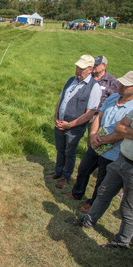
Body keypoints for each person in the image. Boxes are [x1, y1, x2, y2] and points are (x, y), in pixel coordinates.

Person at [68, 71, 133, 249]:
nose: (120, 86)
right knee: (103, 191)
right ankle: (88, 221)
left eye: (125, 85)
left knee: (127, 206)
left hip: (118, 156)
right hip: (121, 157)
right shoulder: (114, 99)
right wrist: (95, 136)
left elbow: (121, 132)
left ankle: (123, 241)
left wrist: (106, 139)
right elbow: (116, 126)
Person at [45, 55, 102, 189]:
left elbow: (90, 113)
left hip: (74, 128)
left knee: (69, 152)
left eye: (81, 68)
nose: (78, 70)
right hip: (60, 124)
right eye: (77, 67)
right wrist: (56, 118)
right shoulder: (71, 80)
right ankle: (58, 172)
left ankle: (66, 176)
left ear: (90, 69)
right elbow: (61, 99)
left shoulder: (94, 87)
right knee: (60, 149)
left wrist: (70, 125)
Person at [86, 56, 120, 146]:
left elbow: (118, 97)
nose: (94, 66)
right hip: (83, 110)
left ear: (104, 66)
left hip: (97, 115)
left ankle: (91, 155)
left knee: (92, 138)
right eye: (93, 64)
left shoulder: (111, 81)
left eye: (97, 65)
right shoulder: (89, 77)